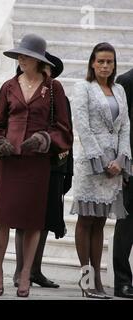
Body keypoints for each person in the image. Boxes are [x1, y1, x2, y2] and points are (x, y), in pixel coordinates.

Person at [0, 34, 73, 298]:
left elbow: (64, 129)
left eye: (25, 56)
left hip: (38, 163)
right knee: (2, 219)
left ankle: (25, 274)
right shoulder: (8, 86)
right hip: (11, 160)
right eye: (19, 55)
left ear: (37, 60)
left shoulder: (54, 89)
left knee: (33, 221)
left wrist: (44, 139)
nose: (20, 59)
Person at [70, 42, 131, 299]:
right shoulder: (83, 87)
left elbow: (125, 127)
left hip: (114, 168)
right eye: (101, 61)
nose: (105, 66)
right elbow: (82, 126)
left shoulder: (119, 89)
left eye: (110, 62)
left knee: (100, 223)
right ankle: (87, 281)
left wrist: (121, 159)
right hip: (91, 165)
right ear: (92, 64)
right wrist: (102, 161)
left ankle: (97, 283)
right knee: (86, 221)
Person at [13, 52, 74, 289]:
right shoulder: (19, 92)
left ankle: (35, 269)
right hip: (27, 162)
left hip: (53, 165)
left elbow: (66, 131)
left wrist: (65, 167)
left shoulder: (59, 96)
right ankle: (20, 271)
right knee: (24, 218)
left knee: (46, 219)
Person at [113, 69, 133, 299]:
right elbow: (121, 126)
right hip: (131, 166)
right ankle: (123, 281)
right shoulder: (126, 81)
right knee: (127, 223)